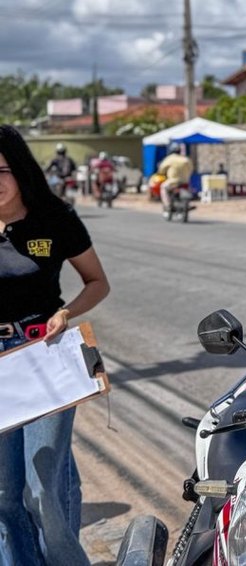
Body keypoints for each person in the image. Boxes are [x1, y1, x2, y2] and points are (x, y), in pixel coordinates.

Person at [0, 125, 110, 566]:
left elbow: (97, 282)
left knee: (43, 486)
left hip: (43, 354)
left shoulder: (55, 217)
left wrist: (66, 313)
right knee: (5, 494)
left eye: (1, 171)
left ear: (20, 169)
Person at [156, 142, 192, 212]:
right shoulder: (185, 159)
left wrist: (161, 172)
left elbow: (161, 169)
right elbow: (191, 169)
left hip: (173, 182)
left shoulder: (170, 159)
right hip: (185, 181)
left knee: (163, 187)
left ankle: (168, 205)